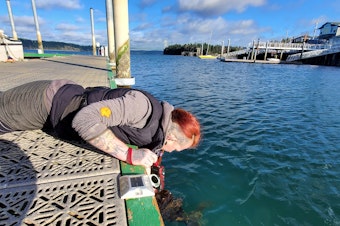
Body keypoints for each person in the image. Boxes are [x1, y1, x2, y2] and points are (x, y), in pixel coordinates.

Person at [0, 80, 201, 173]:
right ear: (172, 139)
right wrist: (131, 155)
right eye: (176, 149)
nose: (173, 152)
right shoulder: (140, 108)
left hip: (56, 110)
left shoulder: (156, 126)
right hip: (45, 101)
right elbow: (84, 120)